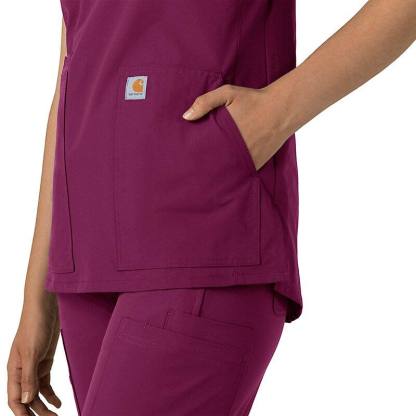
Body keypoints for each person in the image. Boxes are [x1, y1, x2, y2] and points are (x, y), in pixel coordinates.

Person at [7, 1, 416, 415]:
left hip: (203, 229)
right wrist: (39, 293)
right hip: (85, 260)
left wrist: (274, 115)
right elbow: (78, 55)